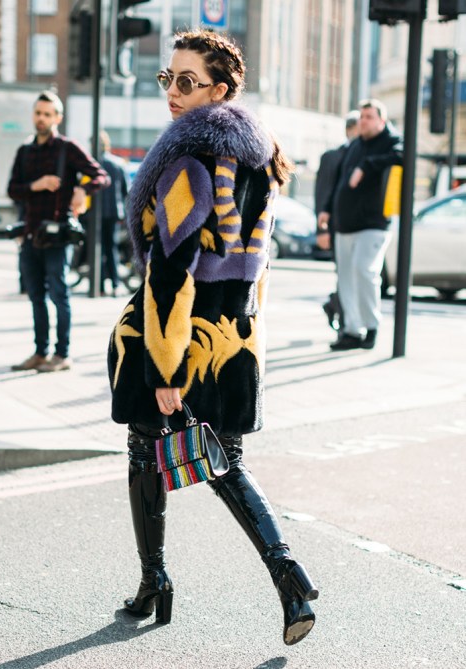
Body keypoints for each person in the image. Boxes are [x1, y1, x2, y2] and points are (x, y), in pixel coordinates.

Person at [107, 29, 318, 646]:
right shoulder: (261, 158)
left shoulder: (190, 161)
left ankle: (155, 580)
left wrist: (165, 370)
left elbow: (170, 272)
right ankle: (288, 576)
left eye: (186, 81)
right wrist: (249, 332)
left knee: (145, 450)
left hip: (176, 339)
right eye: (167, 78)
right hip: (234, 338)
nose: (172, 92)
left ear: (220, 90)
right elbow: (261, 266)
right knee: (227, 464)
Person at [8, 90, 110, 372]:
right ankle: (40, 353)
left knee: (59, 295)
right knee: (36, 297)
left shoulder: (67, 148)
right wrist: (36, 185)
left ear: (57, 118)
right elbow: (12, 190)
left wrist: (82, 189)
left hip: (59, 236)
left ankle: (62, 354)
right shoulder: (25, 151)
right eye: (38, 113)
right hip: (31, 234)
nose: (41, 118)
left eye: (47, 114)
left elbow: (101, 176)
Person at [327, 99, 403, 351]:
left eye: (369, 117)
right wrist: (326, 210)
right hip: (344, 223)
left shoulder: (392, 141)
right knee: (346, 279)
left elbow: (402, 156)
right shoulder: (355, 145)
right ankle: (352, 331)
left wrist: (367, 166)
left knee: (364, 271)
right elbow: (338, 180)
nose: (363, 121)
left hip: (373, 223)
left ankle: (371, 327)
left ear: (382, 120)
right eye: (361, 116)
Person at [315, 111, 360, 331]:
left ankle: (334, 304)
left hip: (358, 225)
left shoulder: (364, 154)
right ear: (350, 130)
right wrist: (321, 230)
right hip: (335, 227)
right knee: (344, 275)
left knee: (355, 275)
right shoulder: (331, 157)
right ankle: (343, 322)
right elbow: (322, 193)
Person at [99, 130, 129, 296]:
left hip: (96, 214)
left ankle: (100, 286)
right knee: (111, 249)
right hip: (113, 212)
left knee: (98, 249)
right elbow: (126, 191)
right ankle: (115, 284)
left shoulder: (94, 163)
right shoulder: (117, 164)